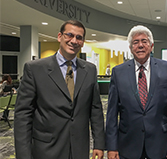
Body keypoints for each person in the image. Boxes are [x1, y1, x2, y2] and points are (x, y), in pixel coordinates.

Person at [14, 20, 105, 159]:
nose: (74, 41)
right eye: (69, 35)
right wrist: (23, 155)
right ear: (59, 37)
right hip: (46, 149)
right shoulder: (35, 69)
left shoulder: (90, 70)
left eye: (79, 37)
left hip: (79, 149)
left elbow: (96, 109)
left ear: (83, 42)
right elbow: (23, 115)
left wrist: (99, 143)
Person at [106, 25, 167, 159]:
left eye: (144, 41)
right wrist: (112, 147)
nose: (140, 45)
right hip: (128, 144)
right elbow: (112, 114)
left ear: (151, 46)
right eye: (135, 42)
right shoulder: (118, 72)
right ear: (130, 48)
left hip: (161, 144)